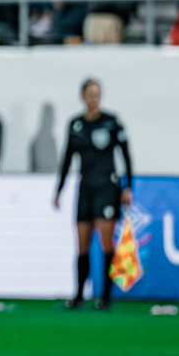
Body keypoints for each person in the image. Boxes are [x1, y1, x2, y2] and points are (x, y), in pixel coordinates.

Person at [52, 78, 133, 312]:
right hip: (85, 187)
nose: (93, 98)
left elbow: (126, 156)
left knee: (106, 243)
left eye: (97, 94)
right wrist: (60, 189)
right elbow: (67, 158)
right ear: (83, 97)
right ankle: (78, 296)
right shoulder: (75, 125)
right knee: (82, 243)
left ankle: (106, 297)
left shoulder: (111, 122)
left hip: (107, 186)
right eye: (89, 94)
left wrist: (128, 187)